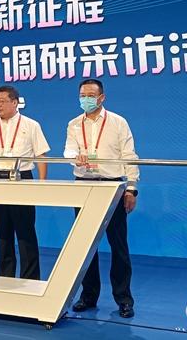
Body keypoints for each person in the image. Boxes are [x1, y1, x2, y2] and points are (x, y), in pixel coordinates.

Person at [64, 78, 139, 319]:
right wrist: (75, 157)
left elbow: (129, 156)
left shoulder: (118, 122)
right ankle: (88, 296)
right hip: (84, 186)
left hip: (112, 186)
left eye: (90, 95)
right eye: (82, 95)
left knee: (118, 245)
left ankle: (124, 299)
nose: (86, 99)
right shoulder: (74, 124)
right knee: (86, 246)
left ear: (101, 97)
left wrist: (131, 188)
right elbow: (68, 150)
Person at [0, 85, 49, 280]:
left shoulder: (31, 125)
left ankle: (30, 279)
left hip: (22, 179)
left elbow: (41, 155)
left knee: (25, 232)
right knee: (3, 232)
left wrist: (42, 184)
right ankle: (5, 278)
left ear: (15, 102)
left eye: (2, 101)